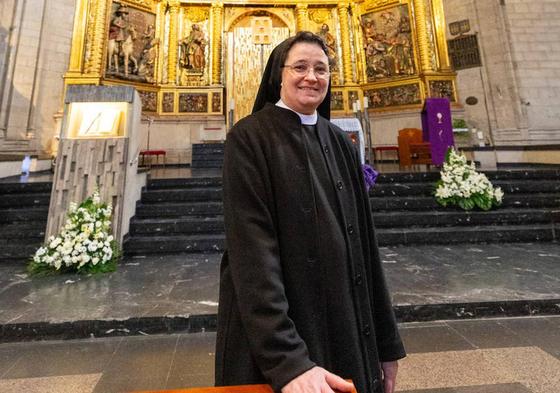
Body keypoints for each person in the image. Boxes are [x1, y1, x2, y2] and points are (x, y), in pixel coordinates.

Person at [215, 31, 406, 393]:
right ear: (278, 75)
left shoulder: (339, 141)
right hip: (284, 340)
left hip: (346, 327)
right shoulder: (250, 138)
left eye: (321, 68)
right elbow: (253, 254)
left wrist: (385, 344)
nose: (312, 76)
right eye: (300, 67)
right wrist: (288, 362)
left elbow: (365, 246)